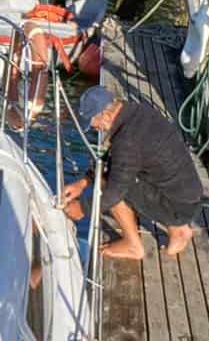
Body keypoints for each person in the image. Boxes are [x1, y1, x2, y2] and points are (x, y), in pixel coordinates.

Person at [60, 86, 200, 260]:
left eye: (94, 124)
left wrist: (82, 208)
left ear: (106, 115)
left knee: (109, 184)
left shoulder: (127, 140)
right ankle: (179, 230)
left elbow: (115, 191)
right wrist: (83, 182)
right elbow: (115, 160)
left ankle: (133, 246)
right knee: (115, 174)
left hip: (177, 205)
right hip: (187, 194)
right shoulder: (136, 112)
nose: (96, 129)